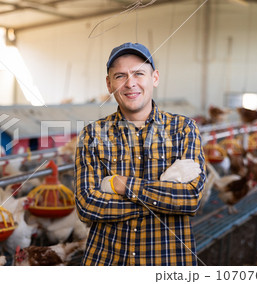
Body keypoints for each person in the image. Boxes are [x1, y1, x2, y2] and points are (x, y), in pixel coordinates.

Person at [74, 42, 206, 266]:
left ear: (154, 78)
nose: (130, 83)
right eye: (119, 76)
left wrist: (124, 186)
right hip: (107, 260)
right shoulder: (92, 134)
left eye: (139, 73)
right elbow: (87, 205)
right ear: (109, 84)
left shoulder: (183, 129)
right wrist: (161, 203)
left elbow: (190, 199)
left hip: (168, 262)